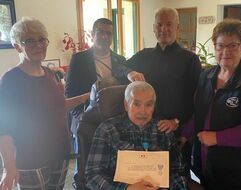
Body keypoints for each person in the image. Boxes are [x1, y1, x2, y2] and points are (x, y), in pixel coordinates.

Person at [0, 17, 90, 190]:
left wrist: (85, 96)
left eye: (41, 39)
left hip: (59, 154)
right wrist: (9, 167)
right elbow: (4, 129)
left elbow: (58, 107)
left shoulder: (49, 74)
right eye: (29, 40)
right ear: (17, 46)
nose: (38, 44)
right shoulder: (10, 80)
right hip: (31, 160)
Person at [191, 18, 241, 189]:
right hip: (208, 164)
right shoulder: (206, 76)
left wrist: (217, 137)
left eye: (232, 45)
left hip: (239, 173)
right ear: (214, 47)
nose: (225, 51)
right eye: (220, 45)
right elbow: (199, 112)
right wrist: (185, 133)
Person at [126, 7, 201, 176]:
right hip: (144, 130)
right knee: (146, 176)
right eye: (159, 24)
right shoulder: (143, 56)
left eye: (169, 24)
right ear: (153, 28)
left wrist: (178, 122)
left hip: (175, 132)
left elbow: (197, 100)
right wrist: (129, 72)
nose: (163, 29)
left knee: (177, 177)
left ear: (177, 28)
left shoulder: (190, 59)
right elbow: (120, 66)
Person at [85, 81, 187, 190]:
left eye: (148, 105)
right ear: (126, 105)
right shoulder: (107, 129)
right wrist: (126, 189)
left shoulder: (163, 130)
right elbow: (93, 175)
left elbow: (178, 171)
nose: (143, 111)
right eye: (136, 104)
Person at [65, 18, 144, 154]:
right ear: (92, 34)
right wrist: (82, 117)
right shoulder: (78, 59)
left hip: (113, 122)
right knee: (85, 162)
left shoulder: (120, 60)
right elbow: (69, 94)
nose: (104, 37)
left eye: (108, 33)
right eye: (100, 32)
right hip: (87, 120)